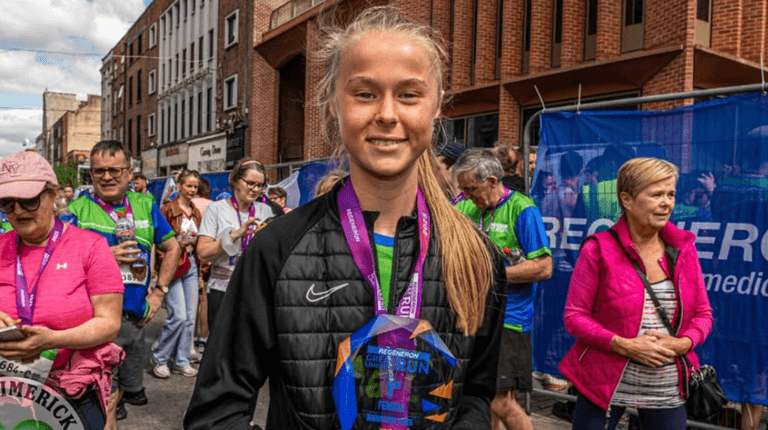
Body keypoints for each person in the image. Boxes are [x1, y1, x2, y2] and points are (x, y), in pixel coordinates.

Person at [183, 7, 505, 429]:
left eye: (409, 94)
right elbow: (217, 411)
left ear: (436, 107)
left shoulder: (478, 258)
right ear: (333, 103)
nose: (387, 114)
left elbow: (474, 399)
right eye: (365, 93)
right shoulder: (276, 249)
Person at [558, 157, 713, 430]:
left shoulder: (683, 249)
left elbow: (703, 314)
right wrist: (624, 345)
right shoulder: (599, 249)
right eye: (656, 194)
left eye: (671, 194)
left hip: (666, 386)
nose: (666, 203)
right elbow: (574, 316)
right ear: (627, 199)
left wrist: (684, 343)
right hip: (604, 384)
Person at [0, 151, 124, 429]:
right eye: (7, 202)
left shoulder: (91, 247)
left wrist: (52, 339)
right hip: (6, 390)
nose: (18, 211)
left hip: (71, 392)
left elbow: (109, 323)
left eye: (29, 200)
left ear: (53, 195)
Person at [68, 140, 181, 428]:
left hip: (134, 320)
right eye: (98, 171)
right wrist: (104, 255)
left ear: (130, 173)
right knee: (103, 400)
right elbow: (61, 264)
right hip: (94, 322)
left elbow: (173, 249)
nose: (106, 177)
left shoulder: (145, 205)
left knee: (118, 398)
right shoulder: (77, 211)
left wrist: (158, 294)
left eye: (114, 170)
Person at [453, 148, 553, 430]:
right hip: (470, 318)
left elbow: (543, 267)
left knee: (501, 402)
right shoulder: (462, 206)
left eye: (471, 188)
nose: (466, 195)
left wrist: (493, 276)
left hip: (509, 320)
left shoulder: (522, 209)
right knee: (481, 401)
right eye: (462, 189)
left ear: (493, 181)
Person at [195, 158, 275, 334]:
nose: (255, 189)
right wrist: (235, 236)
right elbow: (202, 253)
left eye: (259, 185)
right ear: (236, 180)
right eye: (250, 183)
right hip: (222, 288)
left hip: (254, 289)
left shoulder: (265, 211)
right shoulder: (216, 209)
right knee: (221, 346)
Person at [151, 169, 202, 378]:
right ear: (179, 186)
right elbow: (158, 241)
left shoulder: (196, 212)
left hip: (190, 263)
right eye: (189, 185)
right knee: (178, 316)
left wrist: (200, 272)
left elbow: (200, 243)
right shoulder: (166, 211)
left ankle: (181, 360)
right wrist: (175, 247)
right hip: (172, 264)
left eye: (195, 187)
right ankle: (160, 357)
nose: (192, 190)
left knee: (190, 318)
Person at [190, 176, 212, 353]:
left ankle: (188, 340)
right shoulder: (212, 206)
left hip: (190, 254)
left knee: (192, 301)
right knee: (203, 299)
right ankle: (203, 337)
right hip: (207, 256)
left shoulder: (188, 204)